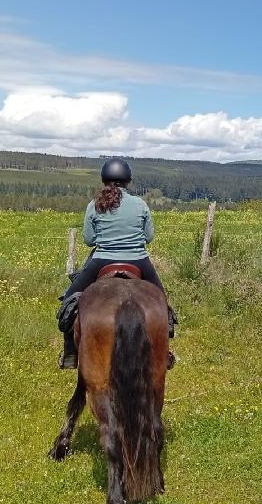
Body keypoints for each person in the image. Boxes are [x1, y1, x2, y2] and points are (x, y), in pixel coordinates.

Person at [57, 158, 176, 369]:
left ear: (104, 180)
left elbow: (88, 240)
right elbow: (148, 237)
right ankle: (163, 352)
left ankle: (70, 354)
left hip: (102, 260)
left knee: (69, 300)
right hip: (139, 260)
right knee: (162, 302)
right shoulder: (140, 204)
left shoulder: (94, 205)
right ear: (128, 181)